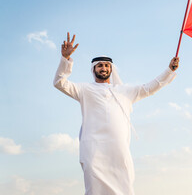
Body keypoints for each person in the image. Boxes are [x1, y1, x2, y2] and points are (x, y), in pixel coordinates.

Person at [53, 32, 179, 195]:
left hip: (118, 146)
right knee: (94, 183)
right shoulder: (84, 89)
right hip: (93, 146)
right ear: (94, 69)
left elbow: (150, 88)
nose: (103, 68)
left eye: (106, 66)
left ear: (111, 70)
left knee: (123, 182)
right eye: (100, 66)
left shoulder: (125, 91)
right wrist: (65, 59)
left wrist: (169, 70)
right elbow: (59, 82)